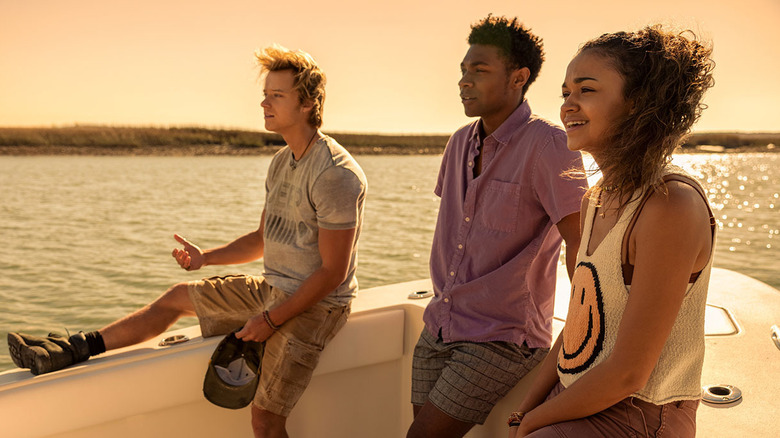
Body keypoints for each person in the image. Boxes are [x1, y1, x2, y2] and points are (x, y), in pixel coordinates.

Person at [8, 45, 367, 438]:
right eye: (265, 94)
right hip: (272, 289)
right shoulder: (281, 162)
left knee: (265, 419)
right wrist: (204, 259)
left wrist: (268, 320)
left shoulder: (335, 174)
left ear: (307, 104)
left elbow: (332, 274)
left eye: (276, 95)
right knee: (179, 295)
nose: (263, 102)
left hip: (317, 308)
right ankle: (71, 349)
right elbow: (263, 238)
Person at [507, 25, 716, 437]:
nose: (567, 105)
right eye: (565, 93)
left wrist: (535, 423)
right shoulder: (594, 198)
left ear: (638, 104)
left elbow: (628, 374)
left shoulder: (671, 206)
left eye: (585, 90)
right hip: (580, 392)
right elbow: (581, 325)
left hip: (638, 414)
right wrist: (526, 408)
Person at [406, 15, 586, 438]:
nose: (464, 81)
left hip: (502, 337)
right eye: (463, 71)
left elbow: (581, 245)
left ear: (518, 78)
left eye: (480, 70)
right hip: (441, 324)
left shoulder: (550, 145)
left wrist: (588, 333)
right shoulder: (457, 143)